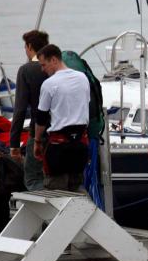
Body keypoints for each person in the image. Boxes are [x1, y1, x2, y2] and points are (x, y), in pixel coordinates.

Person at [33, 44, 90, 192]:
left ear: (54, 60)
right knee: (76, 189)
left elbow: (41, 118)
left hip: (59, 148)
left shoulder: (49, 84)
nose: (42, 69)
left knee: (56, 192)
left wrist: (37, 141)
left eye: (43, 65)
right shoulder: (83, 78)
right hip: (80, 146)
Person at [9, 30, 49, 190]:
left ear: (30, 46)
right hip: (63, 134)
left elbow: (19, 110)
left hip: (39, 133)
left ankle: (44, 214)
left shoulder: (27, 70)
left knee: (33, 178)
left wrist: (14, 145)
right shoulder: (57, 68)